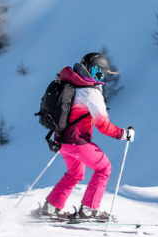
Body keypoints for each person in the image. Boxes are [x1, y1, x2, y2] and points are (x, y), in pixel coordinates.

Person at [39, 52, 135, 221]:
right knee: (104, 169)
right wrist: (124, 134)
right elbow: (104, 126)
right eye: (102, 73)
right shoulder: (91, 93)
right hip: (77, 142)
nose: (102, 77)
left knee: (75, 173)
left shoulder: (68, 83)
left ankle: (51, 207)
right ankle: (88, 210)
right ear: (95, 71)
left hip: (61, 140)